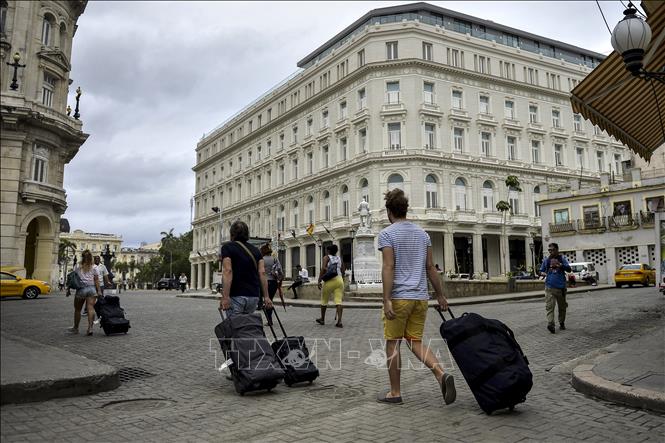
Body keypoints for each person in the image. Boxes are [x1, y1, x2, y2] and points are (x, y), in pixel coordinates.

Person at [376, 188, 455, 406]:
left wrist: (386, 299)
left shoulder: (388, 234)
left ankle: (395, 392)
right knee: (415, 341)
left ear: (389, 211)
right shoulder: (423, 234)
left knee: (393, 344)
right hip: (420, 298)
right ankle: (440, 373)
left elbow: (388, 266)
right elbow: (431, 268)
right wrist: (440, 295)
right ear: (406, 209)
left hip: (400, 298)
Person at [219, 221, 273, 317]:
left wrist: (225, 297)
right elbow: (262, 273)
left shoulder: (227, 248)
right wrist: (267, 297)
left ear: (232, 233)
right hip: (253, 296)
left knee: (236, 328)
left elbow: (228, 271)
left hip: (236, 295)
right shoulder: (256, 250)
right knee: (246, 328)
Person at [67, 250, 102, 336]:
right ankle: (90, 328)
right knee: (90, 308)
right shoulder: (94, 267)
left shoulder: (78, 266)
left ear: (82, 257)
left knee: (78, 310)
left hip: (81, 289)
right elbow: (96, 280)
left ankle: (76, 328)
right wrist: (99, 291)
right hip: (92, 289)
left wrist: (68, 289)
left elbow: (72, 278)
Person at [539, 242, 572, 334]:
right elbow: (541, 271)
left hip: (561, 288)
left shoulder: (562, 259)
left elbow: (569, 269)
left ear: (557, 250)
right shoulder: (547, 260)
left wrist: (561, 265)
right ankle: (551, 324)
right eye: (549, 250)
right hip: (549, 287)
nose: (551, 252)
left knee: (562, 307)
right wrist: (543, 273)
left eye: (552, 250)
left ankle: (561, 322)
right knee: (549, 307)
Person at [316, 245, 344, 327]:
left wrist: (319, 280)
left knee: (324, 300)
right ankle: (339, 321)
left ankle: (322, 319)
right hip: (339, 279)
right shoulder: (339, 258)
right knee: (338, 301)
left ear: (328, 250)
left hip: (329, 280)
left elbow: (323, 268)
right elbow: (343, 270)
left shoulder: (326, 257)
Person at [261, 243, 282, 326]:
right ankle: (269, 319)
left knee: (266, 300)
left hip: (264, 282)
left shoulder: (261, 259)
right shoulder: (274, 259)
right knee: (270, 300)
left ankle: (269, 319)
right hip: (273, 282)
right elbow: (280, 270)